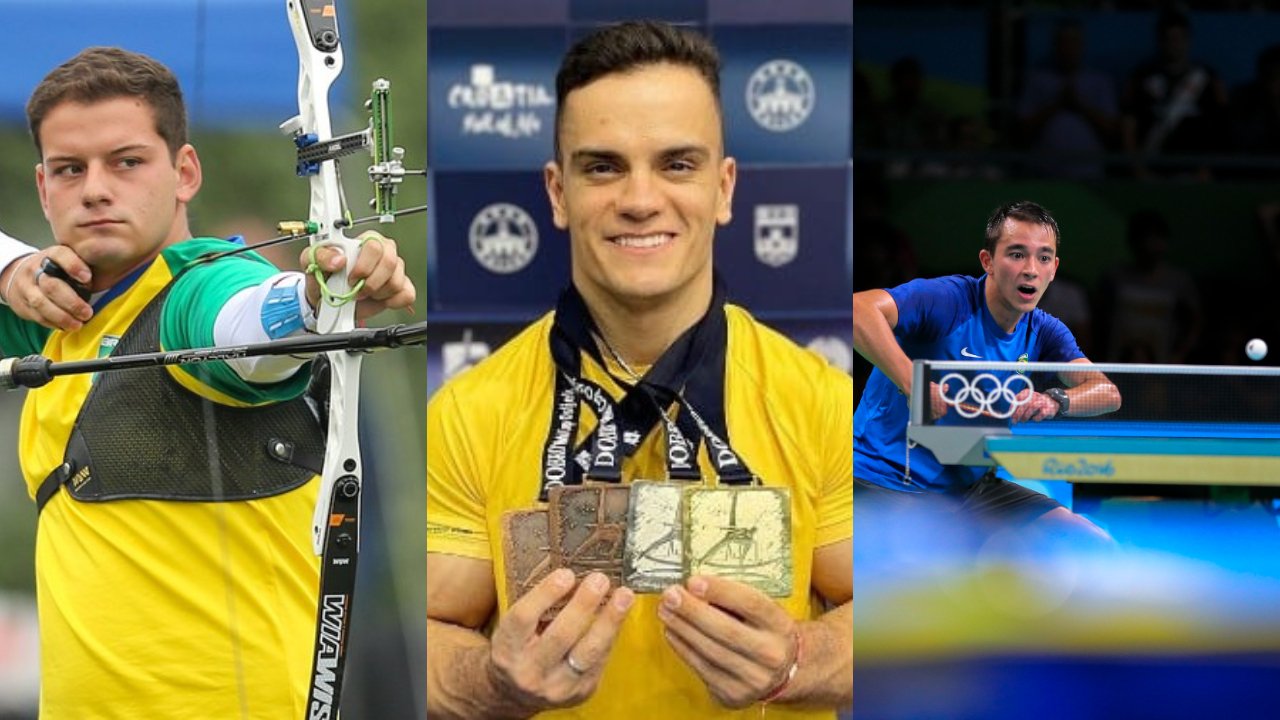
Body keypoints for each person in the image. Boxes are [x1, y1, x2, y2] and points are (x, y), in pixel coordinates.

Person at [426, 21, 852, 720]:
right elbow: (428, 631)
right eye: (604, 167)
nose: (640, 199)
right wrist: (491, 681)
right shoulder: (467, 413)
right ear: (558, 194)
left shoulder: (825, 403)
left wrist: (801, 660)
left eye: (677, 164)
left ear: (724, 186)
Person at [0, 47, 415, 718]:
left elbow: (243, 324)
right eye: (70, 169)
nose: (96, 188)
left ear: (184, 171)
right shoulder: (51, 316)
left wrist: (315, 303)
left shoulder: (201, 285)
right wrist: (11, 269)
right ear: (43, 187)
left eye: (127, 162)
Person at [853, 201, 1120, 540]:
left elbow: (1106, 392)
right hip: (884, 480)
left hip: (970, 489)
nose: (1030, 269)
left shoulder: (1044, 331)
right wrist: (914, 382)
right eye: (1017, 254)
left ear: (1053, 268)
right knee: (936, 565)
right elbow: (858, 310)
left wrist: (1055, 400)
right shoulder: (948, 300)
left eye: (1042, 257)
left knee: (1091, 543)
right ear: (988, 261)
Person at [1121, 10, 1228, 180]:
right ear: (1159, 41)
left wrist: (1209, 168)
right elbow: (1129, 125)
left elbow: (1221, 126)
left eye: (1179, 38)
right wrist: (1136, 168)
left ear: (1188, 40)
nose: (1174, 44)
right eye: (1168, 38)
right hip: (1151, 171)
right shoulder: (1141, 78)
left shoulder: (1207, 78)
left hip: (1194, 173)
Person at [1016, 19, 1119, 179]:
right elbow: (1023, 129)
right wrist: (1057, 104)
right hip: (1044, 173)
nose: (1068, 49)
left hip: (1089, 174)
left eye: (1074, 43)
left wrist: (1080, 105)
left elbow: (1112, 129)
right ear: (1055, 46)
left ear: (1082, 46)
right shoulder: (1036, 80)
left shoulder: (1100, 81)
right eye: (1064, 43)